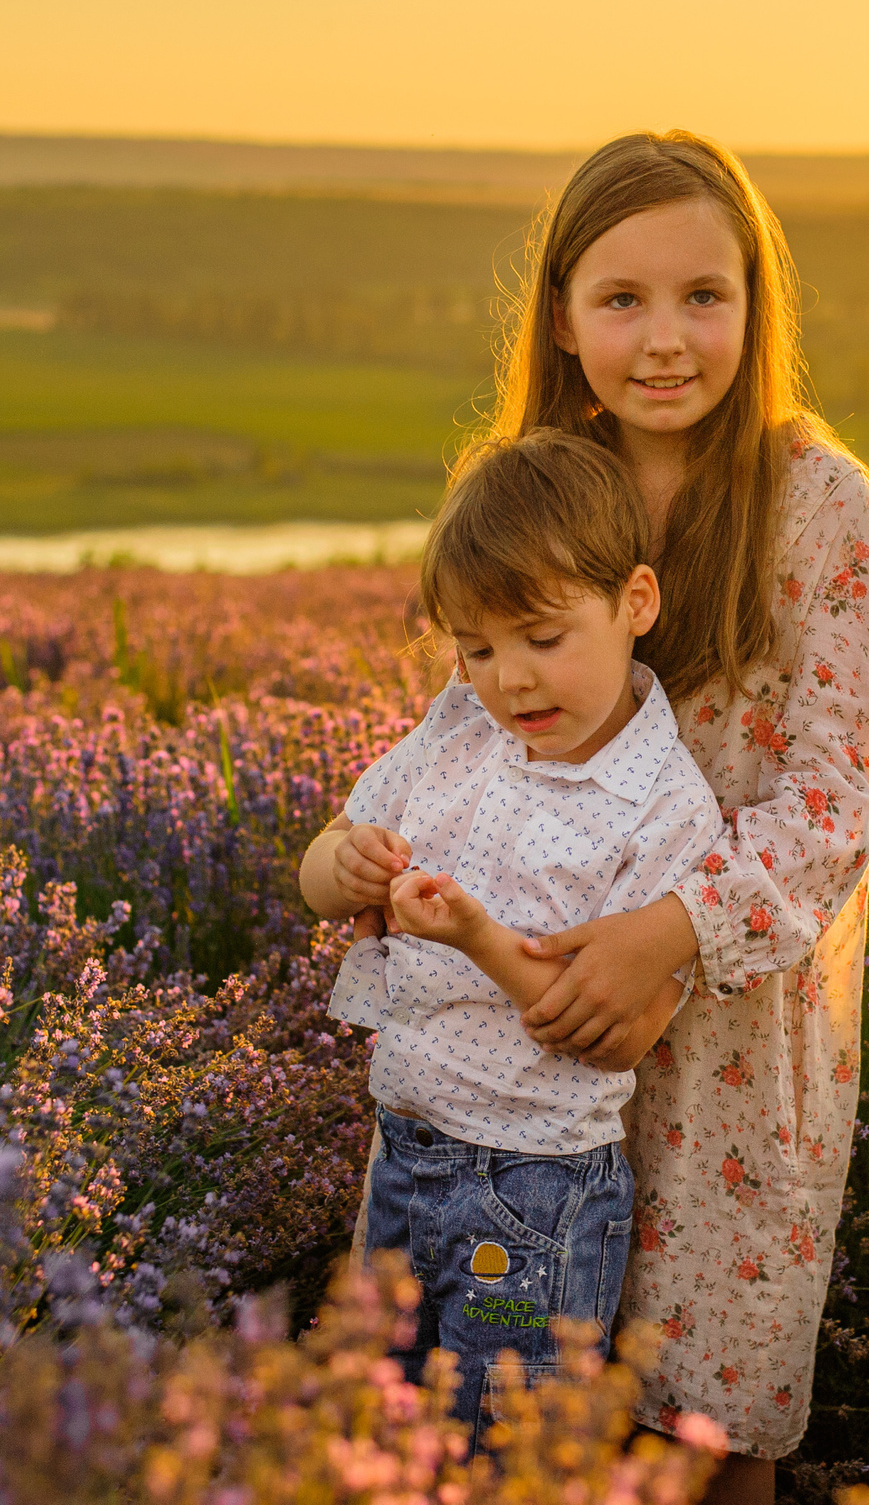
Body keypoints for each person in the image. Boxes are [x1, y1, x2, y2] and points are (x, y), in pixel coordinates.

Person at [496, 130, 869, 1502]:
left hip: (733, 1035)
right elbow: (473, 730)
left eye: (702, 298)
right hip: (550, 1008)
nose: (664, 341)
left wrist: (668, 934)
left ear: (755, 306)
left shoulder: (817, 502)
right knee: (539, 1410)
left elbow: (836, 799)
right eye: (621, 301)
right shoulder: (539, 495)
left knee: (705, 1429)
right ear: (562, 314)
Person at [300, 428, 724, 1436]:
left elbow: (600, 1030)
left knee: (510, 1444)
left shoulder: (663, 808)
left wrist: (475, 936)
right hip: (402, 1153)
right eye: (476, 648)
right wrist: (340, 864)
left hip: (534, 1193)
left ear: (635, 603)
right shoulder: (459, 729)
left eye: (541, 640)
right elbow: (327, 863)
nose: (509, 682)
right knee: (382, 1424)